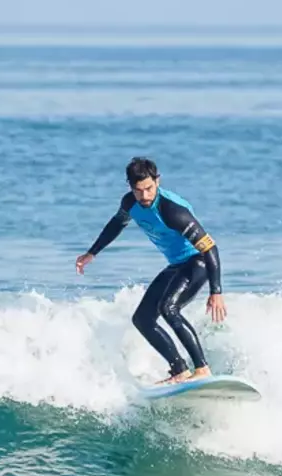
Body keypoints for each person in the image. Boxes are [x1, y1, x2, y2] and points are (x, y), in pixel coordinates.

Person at [76, 157, 227, 385]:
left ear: (157, 181)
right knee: (143, 319)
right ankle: (180, 370)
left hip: (198, 262)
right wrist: (92, 253)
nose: (145, 196)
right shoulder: (130, 203)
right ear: (130, 187)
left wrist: (216, 291)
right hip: (177, 265)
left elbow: (210, 248)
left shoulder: (172, 211)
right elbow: (117, 223)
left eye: (149, 188)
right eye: (138, 191)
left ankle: (202, 368)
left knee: (169, 308)